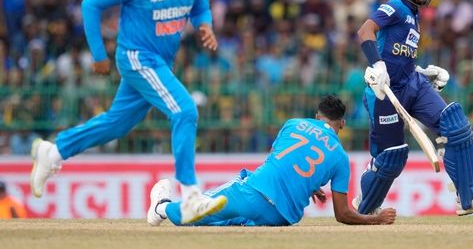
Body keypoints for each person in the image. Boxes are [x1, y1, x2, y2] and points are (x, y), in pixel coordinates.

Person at [30, 0, 226, 224]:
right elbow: (90, 4)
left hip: (160, 62)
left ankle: (53, 153)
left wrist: (205, 25)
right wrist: (98, 54)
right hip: (137, 59)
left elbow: (200, 5)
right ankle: (189, 196)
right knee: (186, 111)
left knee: (117, 124)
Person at [355, 0, 473, 216]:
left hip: (412, 84)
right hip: (384, 91)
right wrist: (377, 64)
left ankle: (468, 199)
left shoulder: (415, 16)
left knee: (456, 126)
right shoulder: (395, 6)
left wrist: (422, 71)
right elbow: (365, 31)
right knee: (392, 158)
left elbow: (400, 54)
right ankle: (365, 206)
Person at [146, 95, 397, 227]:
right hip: (281, 217)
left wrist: (377, 220)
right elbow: (343, 214)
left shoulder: (293, 124)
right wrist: (377, 218)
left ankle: (161, 208)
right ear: (341, 123)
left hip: (254, 193)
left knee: (201, 207)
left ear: (316, 116)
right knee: (224, 220)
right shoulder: (340, 158)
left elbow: (279, 161)